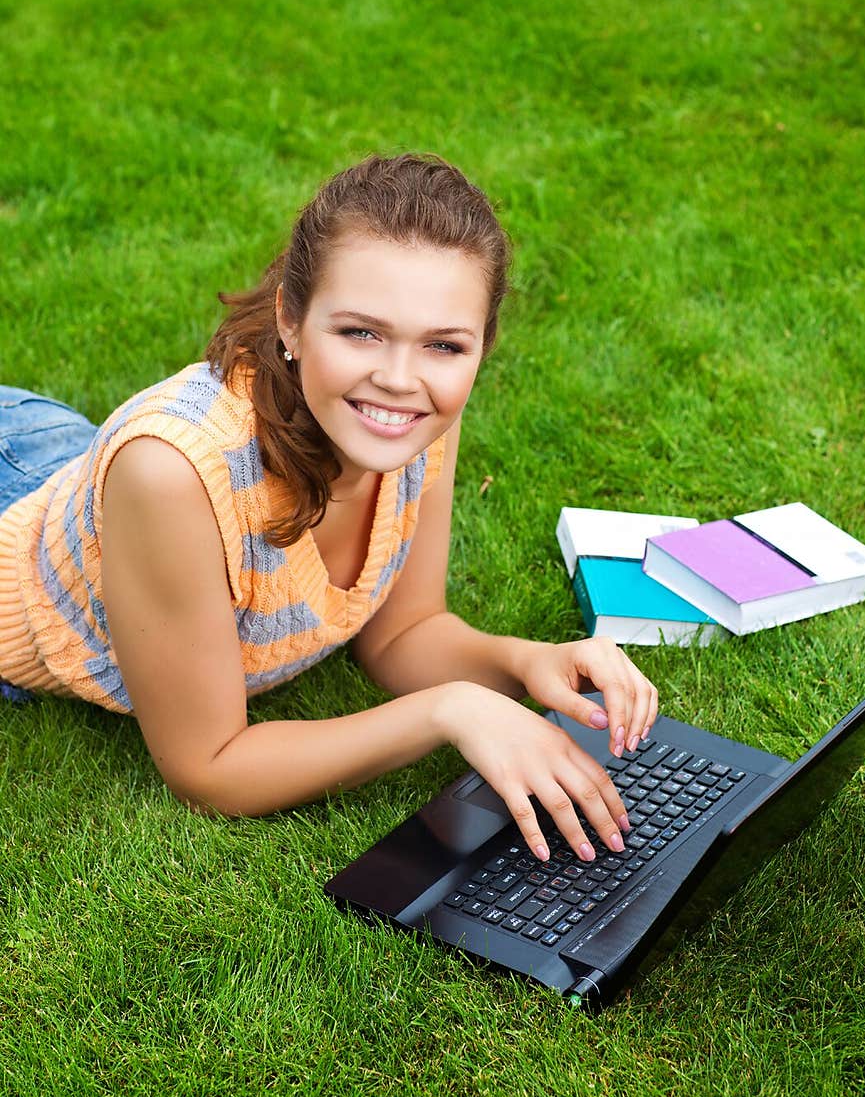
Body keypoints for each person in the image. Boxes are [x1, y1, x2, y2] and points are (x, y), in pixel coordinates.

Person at [0, 152, 657, 865]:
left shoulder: (412, 420)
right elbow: (208, 766)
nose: (400, 380)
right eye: (360, 333)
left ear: (481, 347)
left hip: (59, 460)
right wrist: (449, 710)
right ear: (291, 318)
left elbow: (403, 632)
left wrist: (528, 663)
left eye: (444, 345)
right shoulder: (172, 476)